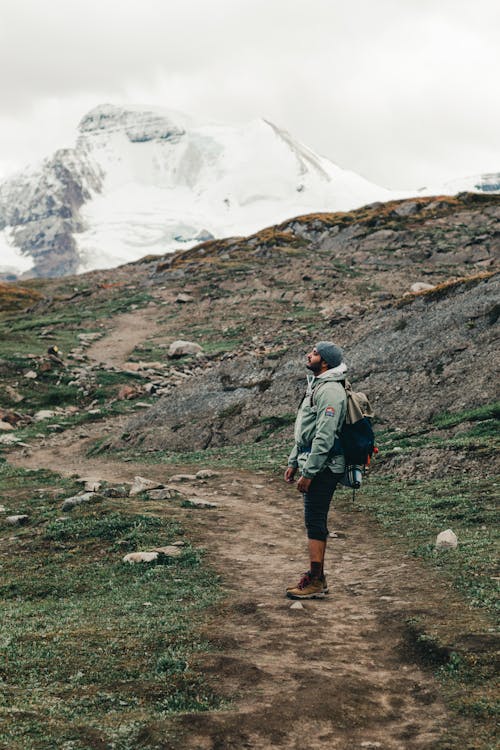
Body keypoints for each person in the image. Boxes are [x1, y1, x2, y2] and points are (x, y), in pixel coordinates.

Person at [284, 341, 347, 599]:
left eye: (315, 353)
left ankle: (316, 580)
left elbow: (324, 436)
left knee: (315, 521)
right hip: (313, 462)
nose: (309, 355)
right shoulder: (317, 386)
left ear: (325, 362)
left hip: (325, 466)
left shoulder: (330, 391)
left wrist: (308, 473)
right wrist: (292, 461)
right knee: (314, 521)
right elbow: (305, 432)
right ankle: (317, 576)